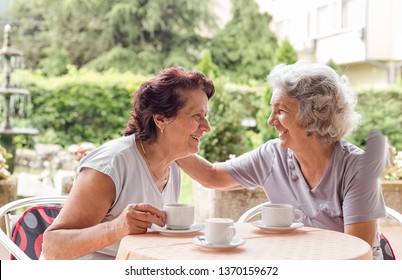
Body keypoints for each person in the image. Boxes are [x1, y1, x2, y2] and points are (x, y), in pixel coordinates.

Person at [177, 61, 388, 260]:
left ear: (313, 117)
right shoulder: (273, 155)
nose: (270, 121)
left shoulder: (357, 169)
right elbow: (212, 175)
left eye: (281, 111)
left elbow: (357, 252)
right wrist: (171, 141)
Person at [41, 66, 215, 260]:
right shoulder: (111, 164)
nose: (206, 127)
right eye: (196, 116)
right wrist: (116, 228)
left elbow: (215, 175)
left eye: (205, 116)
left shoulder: (172, 162)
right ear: (161, 119)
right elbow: (52, 247)